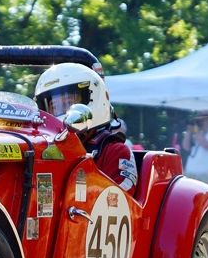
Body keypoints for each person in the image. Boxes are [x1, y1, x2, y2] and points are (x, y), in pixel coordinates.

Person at [34, 63, 137, 194]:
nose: (61, 112)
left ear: (93, 97)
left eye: (69, 103)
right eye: (54, 107)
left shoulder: (115, 151)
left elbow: (118, 198)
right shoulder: (44, 151)